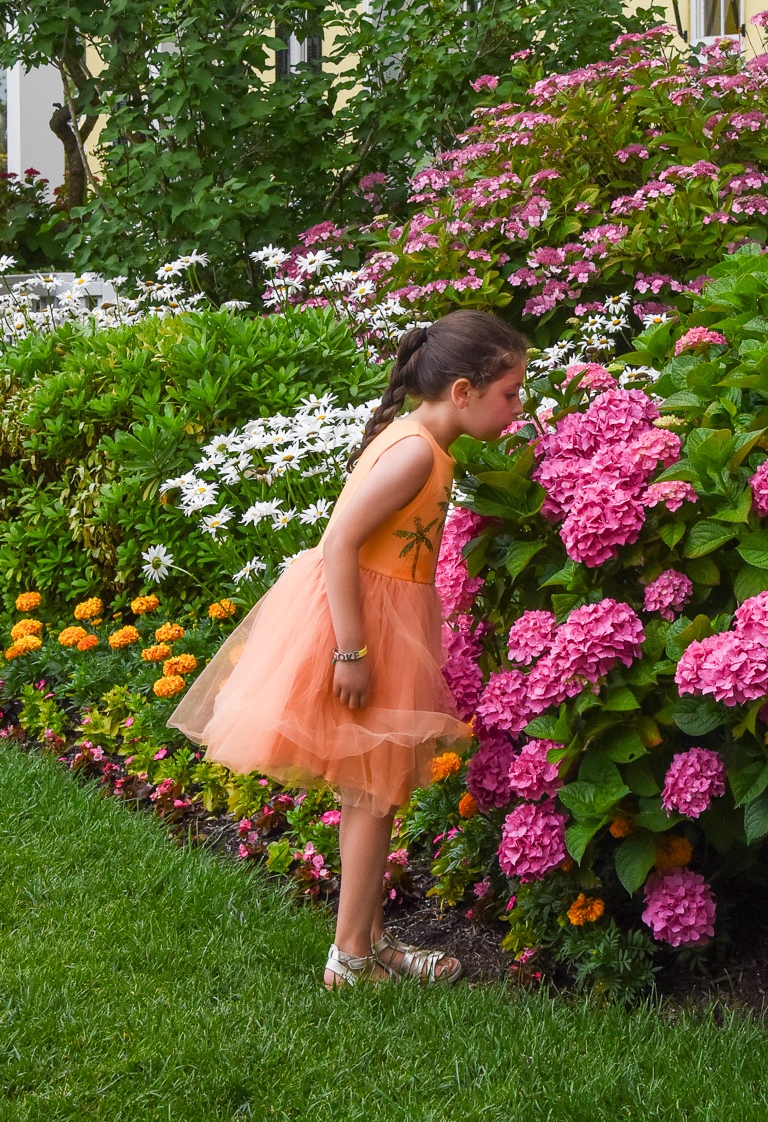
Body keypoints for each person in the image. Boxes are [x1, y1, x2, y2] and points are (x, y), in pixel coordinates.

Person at [171, 309, 529, 988]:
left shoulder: (425, 440)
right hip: (365, 627)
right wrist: (352, 652)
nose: (517, 408)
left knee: (375, 790)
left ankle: (366, 938)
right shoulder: (417, 450)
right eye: (509, 394)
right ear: (462, 391)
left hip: (386, 617)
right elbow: (338, 542)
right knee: (373, 791)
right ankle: (351, 958)